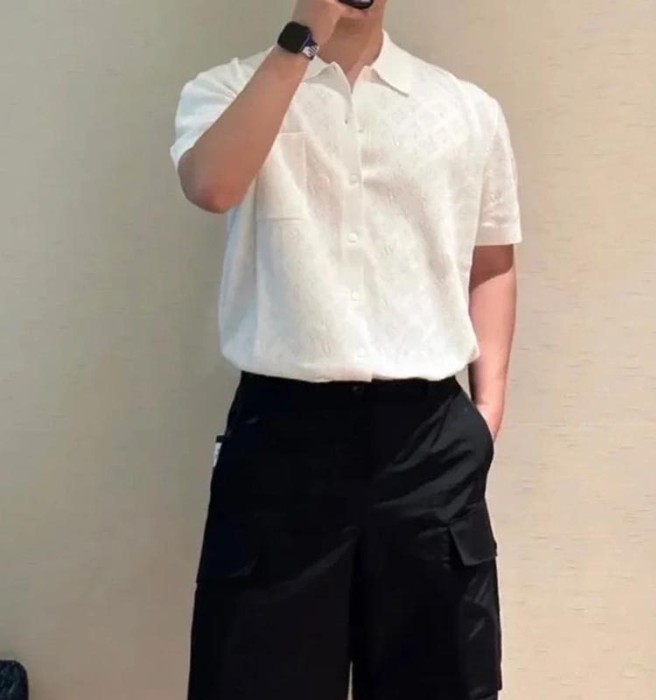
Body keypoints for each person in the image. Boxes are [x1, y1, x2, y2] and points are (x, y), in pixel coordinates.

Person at [169, 0, 522, 698]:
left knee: (441, 679)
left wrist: (488, 410)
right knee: (256, 680)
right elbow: (212, 185)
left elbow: (492, 261)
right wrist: (303, 37)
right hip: (283, 442)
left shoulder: (466, 109)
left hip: (428, 442)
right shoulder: (226, 89)